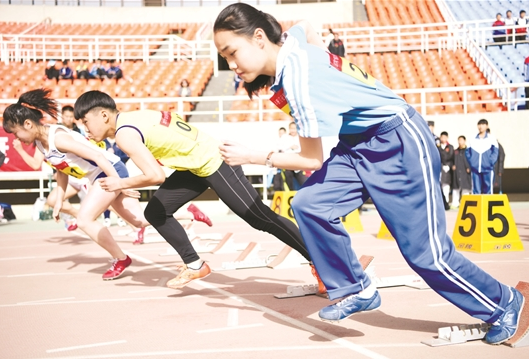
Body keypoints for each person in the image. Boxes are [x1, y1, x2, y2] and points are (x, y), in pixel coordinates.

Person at [213, 3, 523, 345]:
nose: (230, 65)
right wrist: (333, 67)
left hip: (398, 141)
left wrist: (254, 156)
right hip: (356, 144)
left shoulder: (300, 82)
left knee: (426, 255)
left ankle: (504, 303)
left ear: (258, 38)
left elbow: (311, 160)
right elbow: (307, 23)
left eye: (232, 52)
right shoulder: (291, 44)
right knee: (309, 202)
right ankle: (356, 288)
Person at [73, 90, 324, 293]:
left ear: (104, 115)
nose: (85, 129)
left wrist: (121, 184)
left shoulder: (125, 134)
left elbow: (155, 176)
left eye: (86, 121)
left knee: (260, 218)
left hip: (213, 162)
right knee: (157, 211)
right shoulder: (136, 116)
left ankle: (323, 265)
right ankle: (195, 264)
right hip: (194, 165)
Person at [3, 88, 151, 280]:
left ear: (28, 124)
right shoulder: (41, 143)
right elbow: (61, 169)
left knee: (84, 219)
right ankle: (188, 212)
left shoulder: (58, 138)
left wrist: (121, 183)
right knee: (139, 220)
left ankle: (120, 258)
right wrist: (58, 202)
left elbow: (98, 156)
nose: (17, 139)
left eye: (16, 133)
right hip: (103, 174)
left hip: (108, 170)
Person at [466, 119, 499, 195]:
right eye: (479, 125)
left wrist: (490, 162)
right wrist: (472, 162)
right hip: (475, 169)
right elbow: (467, 152)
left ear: (487, 126)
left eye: (483, 124)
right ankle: (477, 207)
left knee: (488, 189)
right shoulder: (472, 138)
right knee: (475, 190)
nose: (481, 126)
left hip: (488, 169)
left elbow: (495, 152)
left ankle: (487, 207)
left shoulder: (491, 139)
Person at [278, 122, 307, 191]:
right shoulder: (285, 137)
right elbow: (279, 147)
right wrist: (290, 147)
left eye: (294, 128)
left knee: (303, 182)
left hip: (298, 164)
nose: (293, 130)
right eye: (291, 128)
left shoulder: (301, 137)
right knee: (289, 184)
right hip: (288, 163)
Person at [451, 135, 472, 209]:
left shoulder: (468, 151)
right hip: (457, 172)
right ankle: (455, 203)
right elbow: (451, 160)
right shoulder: (456, 151)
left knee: (465, 188)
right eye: (459, 140)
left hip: (465, 172)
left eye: (461, 140)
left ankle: (465, 204)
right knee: (456, 188)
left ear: (464, 141)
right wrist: (453, 166)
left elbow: (471, 160)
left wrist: (469, 167)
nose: (460, 142)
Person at [438, 131, 454, 208]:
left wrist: (448, 165)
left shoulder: (450, 147)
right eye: (442, 137)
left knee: (446, 185)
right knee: (439, 184)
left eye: (445, 137)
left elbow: (452, 158)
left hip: (447, 169)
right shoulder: (437, 146)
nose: (443, 139)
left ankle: (446, 202)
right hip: (439, 167)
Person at [489, 129, 505, 194]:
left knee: (496, 186)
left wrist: (500, 170)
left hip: (495, 169)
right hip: (485, 170)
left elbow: (501, 157)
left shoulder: (496, 144)